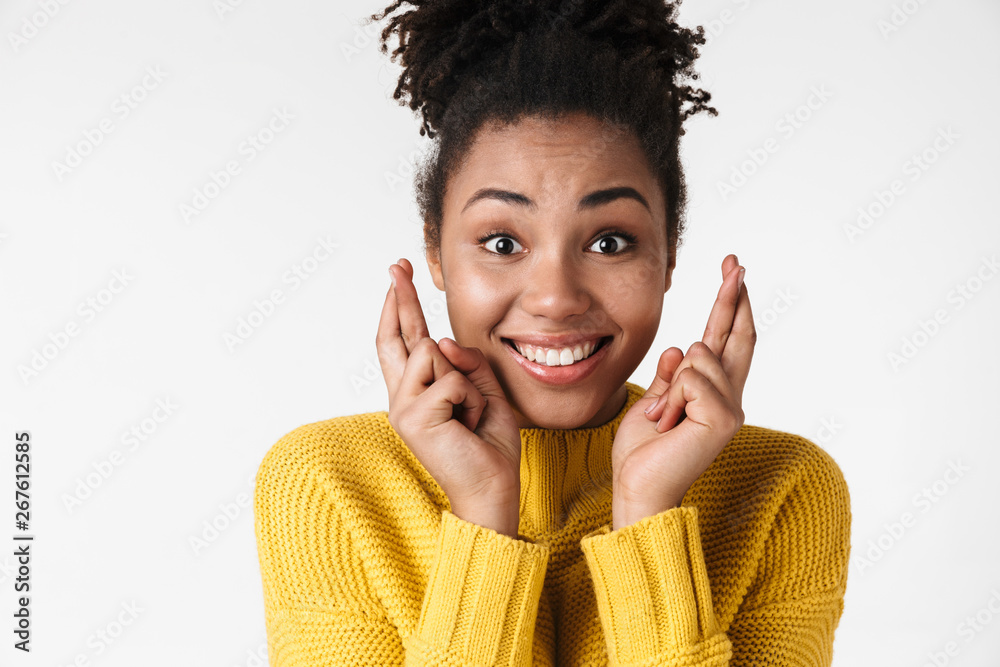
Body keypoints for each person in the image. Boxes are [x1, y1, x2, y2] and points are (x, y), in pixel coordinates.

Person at [253, 1, 851, 665]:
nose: (556, 299)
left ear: (669, 255)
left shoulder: (781, 489)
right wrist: (482, 510)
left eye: (610, 241)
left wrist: (649, 512)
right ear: (435, 252)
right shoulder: (329, 483)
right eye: (502, 242)